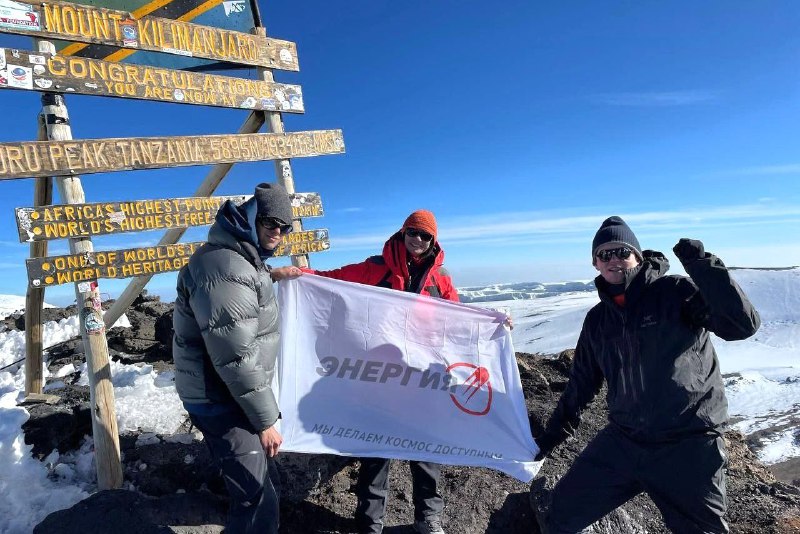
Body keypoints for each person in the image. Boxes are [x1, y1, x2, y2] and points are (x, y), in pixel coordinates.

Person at [533, 216, 760, 534]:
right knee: (560, 516)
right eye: (605, 254)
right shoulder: (599, 321)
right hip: (624, 441)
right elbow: (581, 386)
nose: (614, 260)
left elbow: (741, 325)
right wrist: (548, 438)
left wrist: (702, 265)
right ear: (595, 263)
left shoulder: (674, 292)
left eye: (622, 251)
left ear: (637, 256)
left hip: (687, 443)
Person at [304, 209, 457, 534]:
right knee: (377, 454)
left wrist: (495, 323)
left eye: (424, 235)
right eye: (412, 232)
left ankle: (427, 519)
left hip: (421, 380)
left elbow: (457, 319)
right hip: (380, 380)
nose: (417, 239)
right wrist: (302, 275)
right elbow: (336, 278)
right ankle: (370, 525)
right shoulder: (376, 268)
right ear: (402, 233)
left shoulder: (440, 279)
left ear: (433, 240)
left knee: (426, 451)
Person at [172, 182, 302, 534]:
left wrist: (273, 276)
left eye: (285, 227)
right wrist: (264, 421)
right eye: (271, 223)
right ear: (250, 217)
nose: (278, 232)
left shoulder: (239, 259)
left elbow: (239, 292)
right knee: (257, 499)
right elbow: (236, 355)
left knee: (253, 484)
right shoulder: (225, 265)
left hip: (223, 393)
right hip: (220, 398)